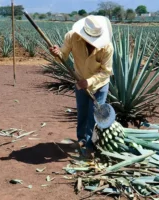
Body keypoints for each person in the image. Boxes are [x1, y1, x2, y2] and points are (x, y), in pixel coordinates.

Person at [49, 15, 114, 157]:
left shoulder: (107, 47)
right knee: (82, 113)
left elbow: (106, 72)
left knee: (94, 115)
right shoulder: (72, 37)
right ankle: (81, 140)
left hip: (100, 85)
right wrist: (57, 54)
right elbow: (63, 56)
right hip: (79, 81)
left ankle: (90, 145)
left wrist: (89, 82)